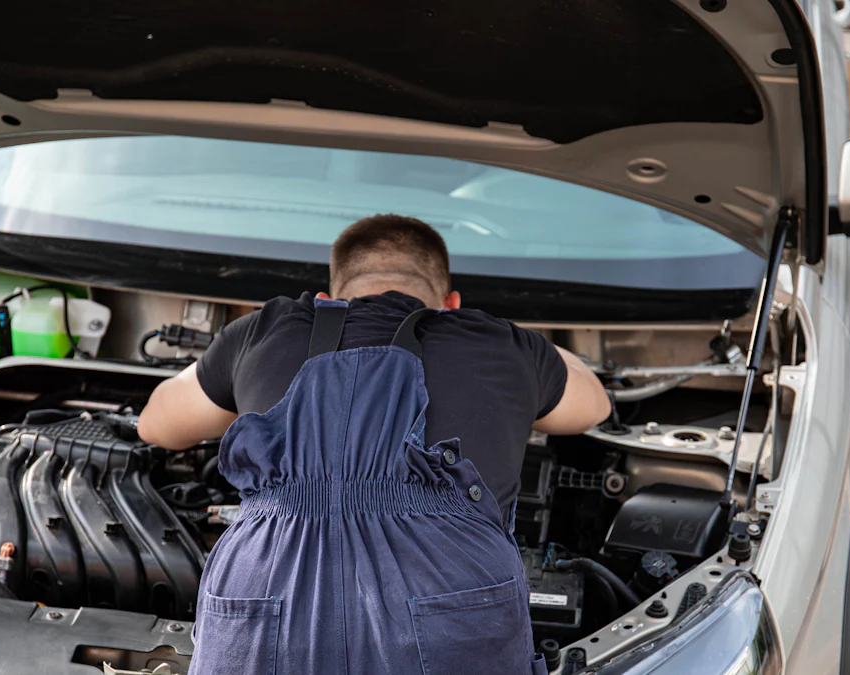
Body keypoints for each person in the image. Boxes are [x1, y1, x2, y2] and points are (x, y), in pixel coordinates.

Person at [138, 214, 610, 675]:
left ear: (326, 298)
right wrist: (518, 342)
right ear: (451, 303)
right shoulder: (501, 343)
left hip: (264, 579)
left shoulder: (261, 330)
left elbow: (156, 427)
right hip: (446, 584)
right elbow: (593, 406)